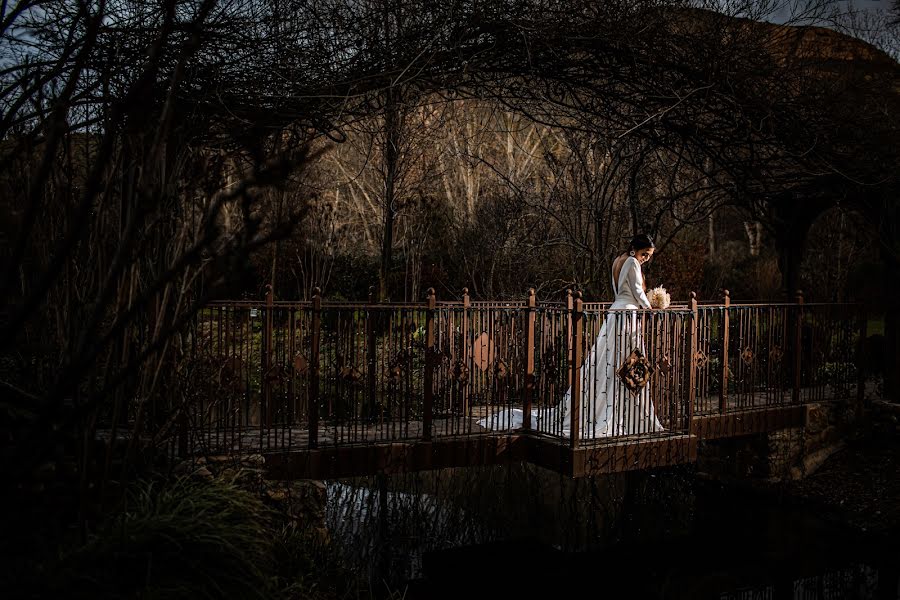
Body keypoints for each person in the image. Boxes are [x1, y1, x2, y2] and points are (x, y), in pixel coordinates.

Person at [477, 234, 665, 438]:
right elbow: (637, 290)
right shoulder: (632, 262)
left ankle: (612, 410)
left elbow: (621, 289)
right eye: (645, 253)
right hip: (628, 315)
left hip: (616, 312)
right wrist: (651, 308)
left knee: (612, 364)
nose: (646, 258)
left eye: (648, 255)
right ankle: (623, 416)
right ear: (635, 249)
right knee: (631, 365)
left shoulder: (617, 261)